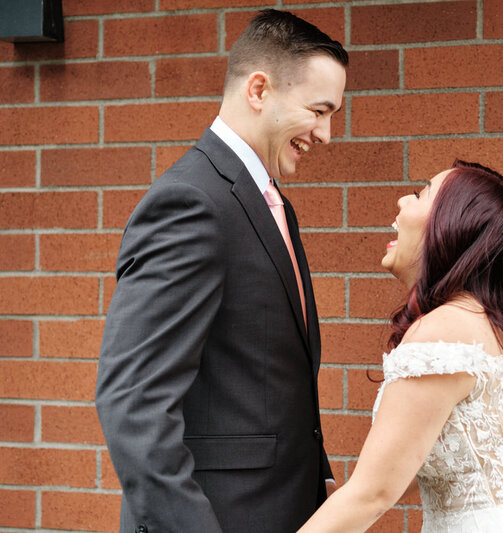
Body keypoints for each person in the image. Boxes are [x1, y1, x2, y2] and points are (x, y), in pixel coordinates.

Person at [95, 9, 347, 533]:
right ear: (259, 90)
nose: (326, 133)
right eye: (318, 110)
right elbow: (133, 400)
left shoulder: (271, 202)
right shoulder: (192, 202)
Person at [298, 160, 503, 532]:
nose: (402, 201)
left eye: (420, 195)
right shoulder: (491, 325)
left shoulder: (442, 330)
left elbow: (374, 494)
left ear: (454, 227)